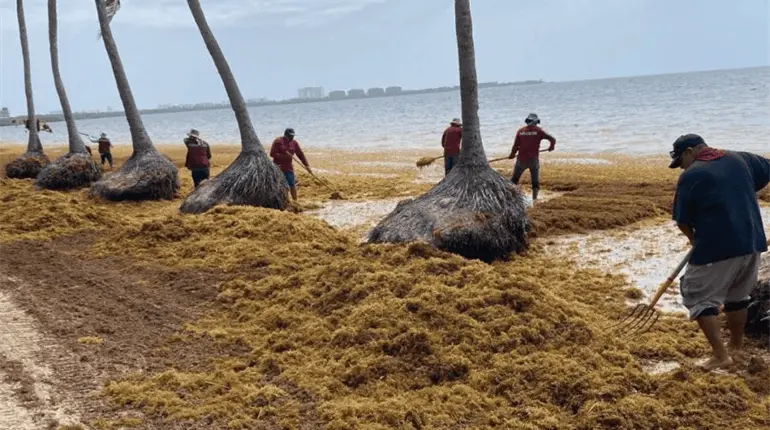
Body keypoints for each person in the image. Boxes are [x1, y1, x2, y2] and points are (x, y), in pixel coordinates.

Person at [670, 133, 770, 371]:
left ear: (689, 152)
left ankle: (720, 356)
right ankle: (736, 346)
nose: (680, 167)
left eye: (679, 161)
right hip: (752, 240)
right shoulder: (741, 159)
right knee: (738, 295)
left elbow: (682, 221)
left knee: (695, 293)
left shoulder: (691, 175)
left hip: (718, 245)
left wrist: (695, 242)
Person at [508, 113, 556, 203]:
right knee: (535, 181)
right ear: (536, 122)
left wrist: (512, 154)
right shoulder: (539, 131)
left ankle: (510, 197)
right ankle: (535, 199)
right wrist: (551, 147)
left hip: (521, 160)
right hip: (533, 160)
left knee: (514, 180)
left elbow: (515, 146)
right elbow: (552, 139)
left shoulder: (520, 131)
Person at [270, 128, 311, 202]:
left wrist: (307, 165)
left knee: (292, 184)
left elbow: (300, 154)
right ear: (286, 135)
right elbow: (272, 154)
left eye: (293, 136)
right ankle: (284, 200)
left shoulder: (294, 143)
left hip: (288, 167)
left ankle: (295, 201)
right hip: (278, 167)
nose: (292, 137)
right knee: (281, 185)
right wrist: (284, 156)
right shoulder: (278, 141)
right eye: (290, 136)